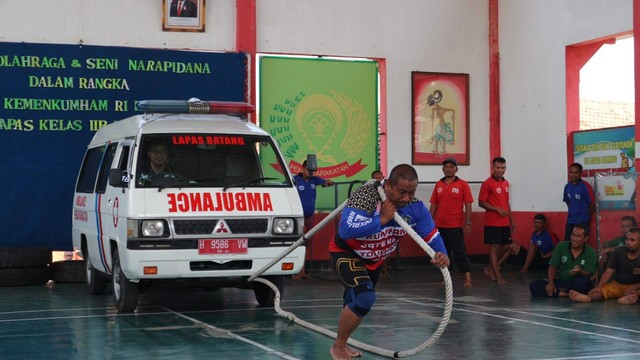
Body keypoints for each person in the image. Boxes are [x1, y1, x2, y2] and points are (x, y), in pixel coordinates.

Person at [328, 164, 449, 360]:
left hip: (375, 259)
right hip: (348, 252)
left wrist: (442, 253)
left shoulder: (415, 207)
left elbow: (431, 235)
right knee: (365, 297)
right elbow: (346, 230)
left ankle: (343, 342)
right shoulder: (366, 195)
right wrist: (383, 218)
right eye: (401, 192)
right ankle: (338, 346)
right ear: (388, 185)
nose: (406, 198)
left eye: (411, 192)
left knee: (354, 300)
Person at [429, 157, 474, 288]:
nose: (448, 169)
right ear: (443, 169)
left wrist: (468, 223)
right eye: (446, 167)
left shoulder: (463, 184)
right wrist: (430, 222)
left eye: (451, 167)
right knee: (443, 253)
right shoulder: (438, 184)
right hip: (439, 225)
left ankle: (468, 278)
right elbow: (433, 205)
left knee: (460, 251)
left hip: (455, 225)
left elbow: (468, 205)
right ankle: (446, 278)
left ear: (456, 169)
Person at [569, 227, 640, 304]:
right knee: (599, 290)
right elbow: (608, 271)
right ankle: (588, 298)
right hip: (617, 285)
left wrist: (636, 286)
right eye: (627, 239)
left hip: (636, 287)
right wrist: (599, 286)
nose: (628, 242)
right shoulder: (618, 251)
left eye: (632, 240)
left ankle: (630, 298)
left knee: (636, 293)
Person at [292, 160, 334, 280]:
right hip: (297, 217)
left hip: (310, 216)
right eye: (308, 171)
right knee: (296, 243)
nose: (311, 173)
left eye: (313, 171)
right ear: (303, 168)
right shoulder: (294, 180)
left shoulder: (314, 180)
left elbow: (326, 182)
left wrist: (329, 183)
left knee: (306, 242)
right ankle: (296, 271)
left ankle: (302, 271)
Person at [529, 223, 596, 297]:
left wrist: (580, 271)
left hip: (575, 283)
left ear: (586, 238)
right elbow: (552, 266)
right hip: (560, 281)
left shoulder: (591, 252)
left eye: (578, 236)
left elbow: (588, 274)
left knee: (584, 282)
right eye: (573, 235)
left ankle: (557, 292)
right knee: (534, 285)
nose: (574, 239)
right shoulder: (561, 246)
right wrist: (551, 283)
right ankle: (565, 294)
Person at [479, 157, 514, 285]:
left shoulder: (506, 183)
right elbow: (481, 202)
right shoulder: (487, 183)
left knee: (507, 246)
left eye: (503, 168)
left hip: (504, 222)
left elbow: (507, 202)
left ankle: (491, 268)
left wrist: (511, 219)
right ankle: (498, 276)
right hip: (492, 221)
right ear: (493, 168)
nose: (500, 170)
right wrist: (497, 209)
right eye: (498, 168)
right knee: (494, 246)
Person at [563, 162, 595, 241]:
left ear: (580, 173)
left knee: (579, 245)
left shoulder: (586, 186)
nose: (573, 175)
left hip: (582, 221)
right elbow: (567, 201)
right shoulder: (567, 186)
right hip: (570, 221)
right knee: (567, 244)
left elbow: (592, 205)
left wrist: (585, 216)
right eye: (571, 172)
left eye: (576, 172)